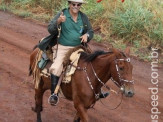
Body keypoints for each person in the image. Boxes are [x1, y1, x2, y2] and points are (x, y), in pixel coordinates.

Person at [42, 0, 108, 106]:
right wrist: (58, 21)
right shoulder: (62, 14)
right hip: (63, 47)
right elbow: (50, 29)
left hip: (79, 47)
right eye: (74, 4)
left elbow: (90, 31)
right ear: (69, 4)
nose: (76, 6)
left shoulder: (83, 17)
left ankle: (97, 91)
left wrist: (87, 36)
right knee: (56, 67)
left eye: (78, 4)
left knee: (94, 63)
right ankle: (54, 94)